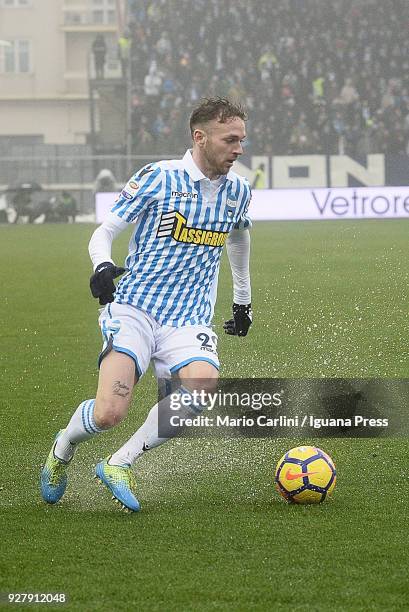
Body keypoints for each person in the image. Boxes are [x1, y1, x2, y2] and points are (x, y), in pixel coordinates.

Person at [40, 97, 253, 513]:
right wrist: (102, 265)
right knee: (108, 414)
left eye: (242, 140)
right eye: (231, 139)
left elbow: (240, 237)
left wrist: (242, 300)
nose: (239, 149)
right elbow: (104, 232)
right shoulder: (158, 178)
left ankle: (119, 463)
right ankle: (62, 449)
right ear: (200, 137)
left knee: (202, 386)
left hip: (189, 318)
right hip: (135, 309)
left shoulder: (238, 192)